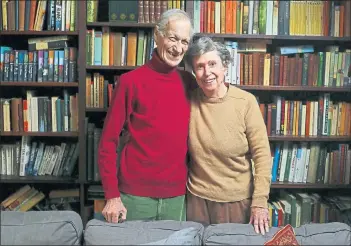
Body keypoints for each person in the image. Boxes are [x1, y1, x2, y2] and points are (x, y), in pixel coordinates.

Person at [97, 9, 197, 223]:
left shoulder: (190, 82)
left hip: (177, 197)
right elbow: (107, 143)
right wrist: (112, 196)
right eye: (173, 38)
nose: (178, 48)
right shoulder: (129, 82)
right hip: (134, 195)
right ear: (157, 35)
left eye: (185, 42)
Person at [184, 37, 272, 235]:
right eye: (199, 66)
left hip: (236, 202)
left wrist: (260, 202)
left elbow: (262, 156)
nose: (207, 73)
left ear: (225, 66)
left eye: (212, 64)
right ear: (194, 73)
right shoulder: (188, 101)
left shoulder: (245, 102)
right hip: (196, 200)